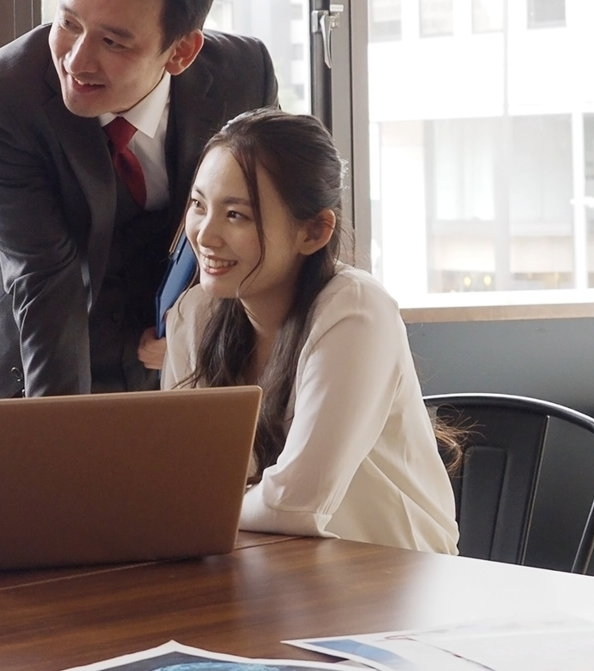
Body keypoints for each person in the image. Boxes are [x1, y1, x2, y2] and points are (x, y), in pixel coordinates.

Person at [0, 0, 278, 398]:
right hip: (34, 348)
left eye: (113, 42)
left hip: (176, 354)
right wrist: (62, 439)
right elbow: (46, 282)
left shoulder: (242, 78)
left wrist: (198, 322)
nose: (76, 61)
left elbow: (268, 223)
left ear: (181, 52)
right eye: (68, 24)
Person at [161, 109, 458, 554]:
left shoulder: (355, 310)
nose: (205, 234)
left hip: (397, 583)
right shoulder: (195, 314)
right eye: (199, 205)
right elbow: (176, 480)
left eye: (237, 215)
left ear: (315, 231)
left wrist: (203, 509)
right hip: (272, 572)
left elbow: (297, 504)